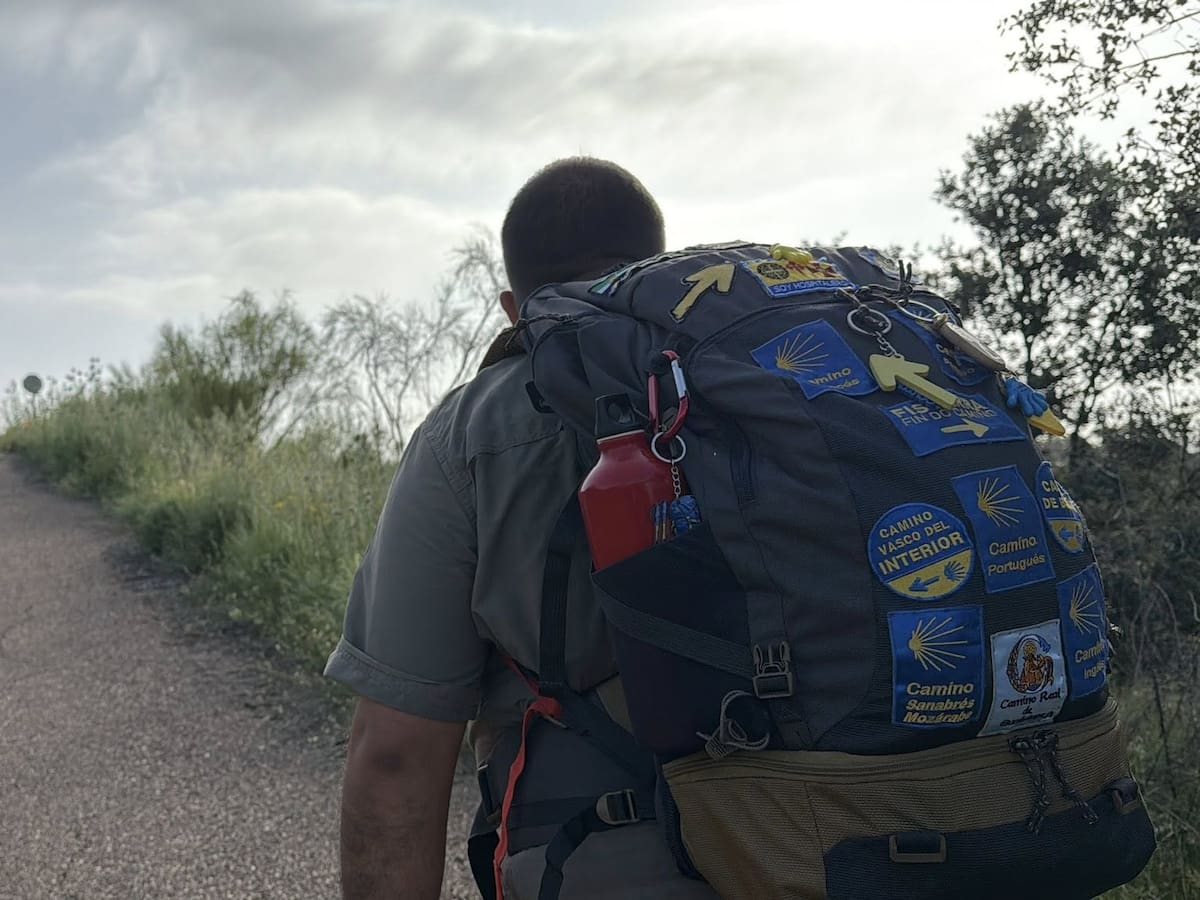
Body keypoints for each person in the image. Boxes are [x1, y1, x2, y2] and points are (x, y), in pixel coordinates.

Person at [325, 157, 720, 900]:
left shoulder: (470, 435)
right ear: (659, 269)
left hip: (610, 855)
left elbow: (396, 755)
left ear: (514, 306)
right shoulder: (763, 384)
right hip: (875, 840)